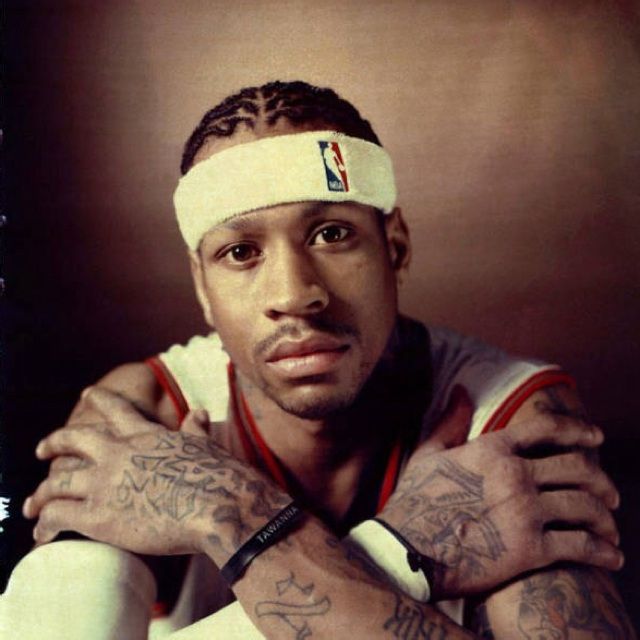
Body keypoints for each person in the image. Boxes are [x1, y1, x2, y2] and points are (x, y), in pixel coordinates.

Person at [8, 81, 636, 639]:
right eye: (240, 252)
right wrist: (399, 553)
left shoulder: (504, 422)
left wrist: (230, 513)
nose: (294, 295)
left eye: (331, 234)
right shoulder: (141, 421)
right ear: (202, 286)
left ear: (395, 248)